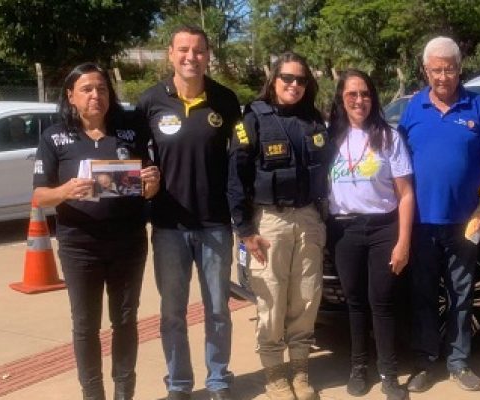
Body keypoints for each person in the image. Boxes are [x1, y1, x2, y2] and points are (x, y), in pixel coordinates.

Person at [32, 62, 160, 400]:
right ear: (71, 96)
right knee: (86, 327)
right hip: (79, 247)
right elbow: (39, 194)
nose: (95, 95)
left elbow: (148, 188)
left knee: (125, 322)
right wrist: (65, 191)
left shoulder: (130, 133)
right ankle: (93, 394)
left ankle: (123, 393)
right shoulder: (54, 136)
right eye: (87, 89)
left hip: (128, 245)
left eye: (102, 88)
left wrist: (152, 183)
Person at [135, 25, 241, 400]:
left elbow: (238, 162)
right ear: (170, 54)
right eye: (183, 50)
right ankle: (178, 384)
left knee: (217, 310)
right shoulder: (149, 103)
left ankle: (218, 380)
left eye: (198, 50)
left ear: (208, 55)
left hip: (215, 225)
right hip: (168, 227)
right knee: (173, 313)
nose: (190, 57)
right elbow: (135, 158)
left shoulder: (226, 102)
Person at [227, 51, 331, 400]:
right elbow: (236, 179)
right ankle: (275, 377)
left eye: (301, 80)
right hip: (268, 221)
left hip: (308, 218)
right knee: (271, 299)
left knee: (306, 297)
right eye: (287, 78)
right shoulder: (253, 120)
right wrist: (244, 231)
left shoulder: (314, 119)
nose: (294, 85)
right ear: (274, 80)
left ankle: (300, 374)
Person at [399, 36, 480, 393]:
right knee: (424, 294)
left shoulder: (477, 106)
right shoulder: (412, 109)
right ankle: (425, 361)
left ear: (459, 69)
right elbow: (397, 167)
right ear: (426, 71)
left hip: (465, 221)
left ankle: (459, 361)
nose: (443, 76)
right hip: (422, 222)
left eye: (450, 69)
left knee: (462, 293)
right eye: (436, 70)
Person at [325, 69, 415, 400]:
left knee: (383, 302)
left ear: (373, 98)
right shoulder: (329, 136)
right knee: (355, 303)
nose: (359, 100)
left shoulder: (389, 137)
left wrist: (403, 241)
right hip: (343, 230)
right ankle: (358, 367)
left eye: (365, 94)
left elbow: (405, 194)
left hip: (383, 228)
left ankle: (389, 374)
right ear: (341, 99)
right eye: (352, 94)